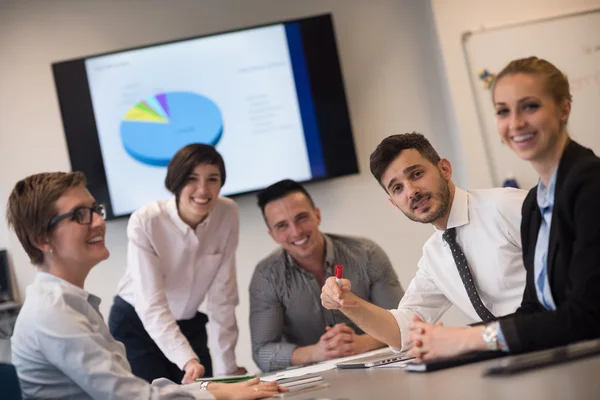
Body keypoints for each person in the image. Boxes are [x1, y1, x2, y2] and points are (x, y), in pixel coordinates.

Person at [6, 171, 285, 399]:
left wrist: (212, 387)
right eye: (80, 215)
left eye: (95, 210)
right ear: (42, 240)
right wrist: (218, 393)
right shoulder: (54, 315)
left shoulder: (71, 304)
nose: (98, 221)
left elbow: (135, 389)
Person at [402, 57, 600, 360]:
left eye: (530, 106)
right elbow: (535, 308)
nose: (516, 123)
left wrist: (470, 338)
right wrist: (456, 340)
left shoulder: (590, 185)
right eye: (503, 111)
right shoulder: (536, 203)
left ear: (564, 108)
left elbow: (587, 315)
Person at [321, 133, 527, 350]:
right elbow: (403, 332)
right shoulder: (434, 255)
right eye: (397, 188)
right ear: (394, 203)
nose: (411, 192)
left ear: (444, 169)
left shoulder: (505, 207)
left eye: (416, 174)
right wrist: (346, 301)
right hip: (512, 358)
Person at [109, 144, 244, 384]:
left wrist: (229, 370)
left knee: (211, 391)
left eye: (212, 179)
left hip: (189, 324)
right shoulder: (146, 221)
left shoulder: (228, 213)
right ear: (176, 182)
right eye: (192, 179)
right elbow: (151, 304)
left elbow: (223, 297)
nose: (203, 190)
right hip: (136, 324)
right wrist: (187, 360)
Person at [249, 179, 404, 372]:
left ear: (317, 215)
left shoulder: (367, 255)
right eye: (282, 226)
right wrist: (317, 352)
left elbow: (405, 322)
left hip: (380, 370)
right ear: (272, 234)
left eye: (302, 218)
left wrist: (362, 343)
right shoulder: (266, 277)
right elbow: (262, 352)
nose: (296, 231)